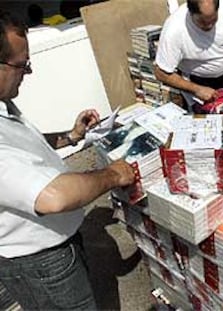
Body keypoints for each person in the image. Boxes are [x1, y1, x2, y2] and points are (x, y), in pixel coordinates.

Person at [0, 10, 136, 310]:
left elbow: (23, 146)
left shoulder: (3, 105)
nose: (28, 72)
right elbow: (54, 197)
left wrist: (71, 136)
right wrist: (113, 174)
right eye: (22, 65)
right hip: (41, 261)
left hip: (57, 244)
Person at [154, 0, 223, 109]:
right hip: (193, 82)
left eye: (213, 20)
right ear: (191, 13)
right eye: (202, 22)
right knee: (201, 120)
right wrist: (196, 89)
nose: (209, 25)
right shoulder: (174, 29)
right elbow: (160, 72)